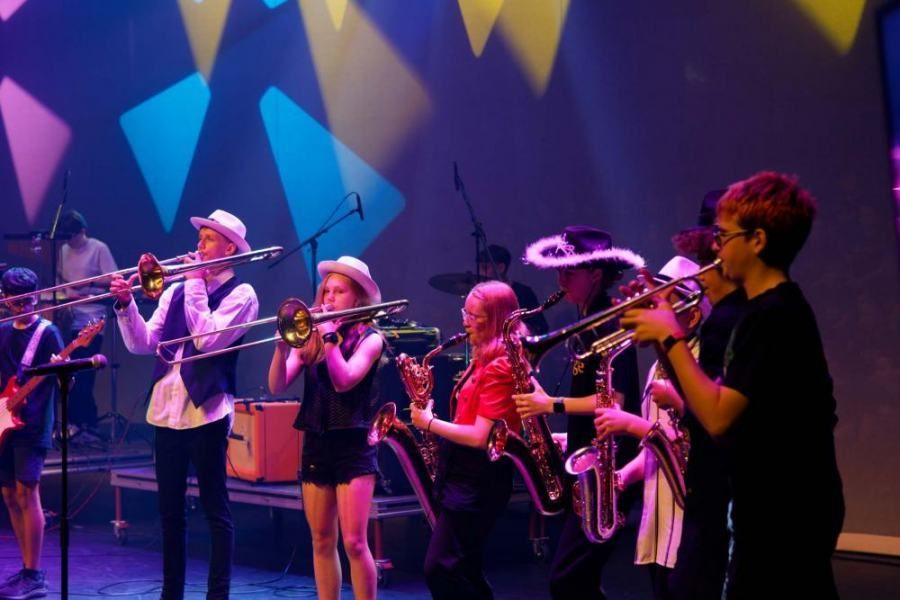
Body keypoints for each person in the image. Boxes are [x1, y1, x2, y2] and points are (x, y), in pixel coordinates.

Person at [621, 172, 844, 598]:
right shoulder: (766, 312)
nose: (715, 246)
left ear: (757, 240)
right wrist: (664, 334)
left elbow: (718, 418)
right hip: (773, 503)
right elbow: (713, 404)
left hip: (788, 507)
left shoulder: (773, 316)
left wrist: (670, 335)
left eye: (723, 235)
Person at [110, 209, 259, 600]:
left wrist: (193, 284)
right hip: (166, 411)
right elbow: (144, 344)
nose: (199, 246)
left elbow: (207, 339)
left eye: (208, 240)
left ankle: (218, 596)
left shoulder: (243, 295)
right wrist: (126, 307)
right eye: (201, 238)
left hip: (207, 411)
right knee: (170, 513)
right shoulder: (176, 291)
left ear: (229, 248)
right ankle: (170, 594)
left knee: (215, 510)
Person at [514, 226, 643, 599]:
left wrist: (549, 405)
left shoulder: (608, 324)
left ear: (595, 275)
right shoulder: (587, 324)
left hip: (609, 468)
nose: (560, 280)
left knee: (568, 578)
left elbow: (614, 402)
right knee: (576, 581)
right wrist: (567, 432)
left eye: (569, 272)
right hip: (587, 458)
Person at [592, 256, 709, 599]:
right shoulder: (659, 365)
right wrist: (623, 477)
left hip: (688, 513)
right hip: (658, 515)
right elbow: (656, 447)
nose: (651, 309)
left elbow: (690, 439)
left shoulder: (699, 361)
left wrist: (630, 424)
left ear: (693, 313)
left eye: (663, 302)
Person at [268, 256, 385, 600]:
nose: (329, 298)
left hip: (354, 444)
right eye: (327, 290)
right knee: (321, 539)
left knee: (354, 541)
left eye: (339, 291)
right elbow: (278, 384)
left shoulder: (371, 339)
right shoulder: (312, 337)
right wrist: (280, 349)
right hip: (318, 442)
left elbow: (344, 380)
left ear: (358, 299)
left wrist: (330, 339)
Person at [409, 280, 521, 600]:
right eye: (465, 313)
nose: (465, 322)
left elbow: (480, 436)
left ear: (497, 319)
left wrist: (430, 423)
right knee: (466, 567)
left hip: (479, 477)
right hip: (462, 472)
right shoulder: (482, 357)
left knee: (440, 568)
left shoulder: (500, 365)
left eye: (475, 316)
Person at [665, 189, 746, 599]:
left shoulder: (742, 320)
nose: (698, 274)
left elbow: (714, 416)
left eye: (705, 261)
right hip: (708, 493)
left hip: (726, 494)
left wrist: (668, 338)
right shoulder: (733, 319)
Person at [0, 268, 64, 600]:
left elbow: (57, 377)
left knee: (29, 494)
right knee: (9, 495)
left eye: (27, 299)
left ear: (36, 296)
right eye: (15, 299)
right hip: (5, 423)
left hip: (34, 423)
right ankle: (25, 570)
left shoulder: (48, 333)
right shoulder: (2, 331)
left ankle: (35, 573)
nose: (22, 305)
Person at [56, 209, 118, 435]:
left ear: (82, 230)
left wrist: (87, 284)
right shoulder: (63, 250)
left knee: (84, 374)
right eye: (67, 237)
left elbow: (114, 278)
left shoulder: (98, 248)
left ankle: (85, 423)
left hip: (92, 318)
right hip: (69, 318)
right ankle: (73, 423)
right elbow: (60, 282)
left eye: (73, 236)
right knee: (68, 375)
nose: (70, 242)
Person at [476, 244, 548, 334]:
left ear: (500, 268)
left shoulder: (523, 293)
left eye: (485, 268)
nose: (480, 273)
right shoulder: (481, 297)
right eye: (479, 269)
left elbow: (540, 327)